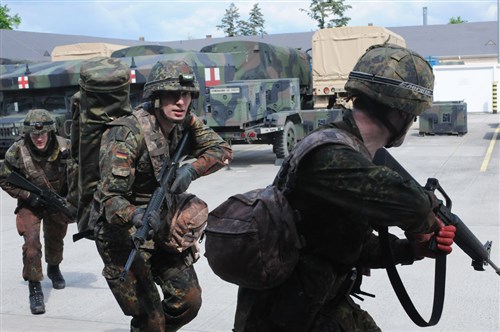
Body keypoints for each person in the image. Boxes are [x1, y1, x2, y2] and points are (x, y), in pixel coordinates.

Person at [233, 44, 457, 331]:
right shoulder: (330, 153)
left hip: (320, 305)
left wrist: (413, 250)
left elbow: (352, 245)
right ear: (403, 111)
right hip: (282, 317)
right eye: (413, 115)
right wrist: (428, 218)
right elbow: (411, 203)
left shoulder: (352, 152)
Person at [90, 59, 232, 332]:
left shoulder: (186, 121)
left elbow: (222, 150)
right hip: (124, 232)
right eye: (172, 94)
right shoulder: (126, 133)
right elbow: (110, 199)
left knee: (188, 301)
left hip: (162, 224)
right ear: (155, 97)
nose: (181, 101)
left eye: (187, 94)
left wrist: (192, 170)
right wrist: (137, 214)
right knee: (150, 319)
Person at [0, 109, 74, 315]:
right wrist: (27, 195)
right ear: (27, 134)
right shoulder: (16, 151)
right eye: (34, 135)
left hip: (55, 201)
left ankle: (53, 267)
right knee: (31, 242)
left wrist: (72, 201)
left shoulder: (65, 147)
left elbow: (77, 177)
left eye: (43, 134)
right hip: (30, 203)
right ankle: (35, 286)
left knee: (56, 237)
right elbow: (4, 178)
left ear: (50, 132)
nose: (39, 138)